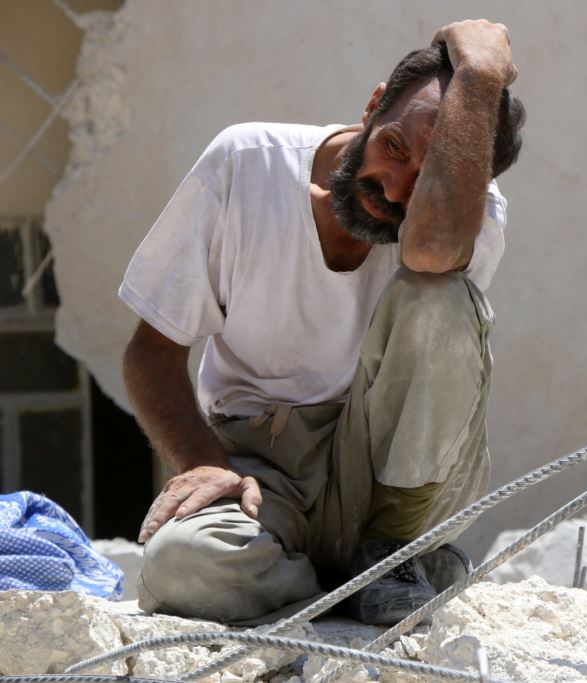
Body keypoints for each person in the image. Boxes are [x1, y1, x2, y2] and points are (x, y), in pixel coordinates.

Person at [118, 19, 525, 626]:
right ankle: (350, 584)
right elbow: (151, 350)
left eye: (427, 177)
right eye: (393, 147)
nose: (394, 188)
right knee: (182, 565)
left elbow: (432, 251)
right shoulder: (246, 165)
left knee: (438, 299)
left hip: (392, 483)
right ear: (370, 108)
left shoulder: (466, 216)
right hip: (262, 466)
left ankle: (393, 555)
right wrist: (203, 460)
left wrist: (482, 73)